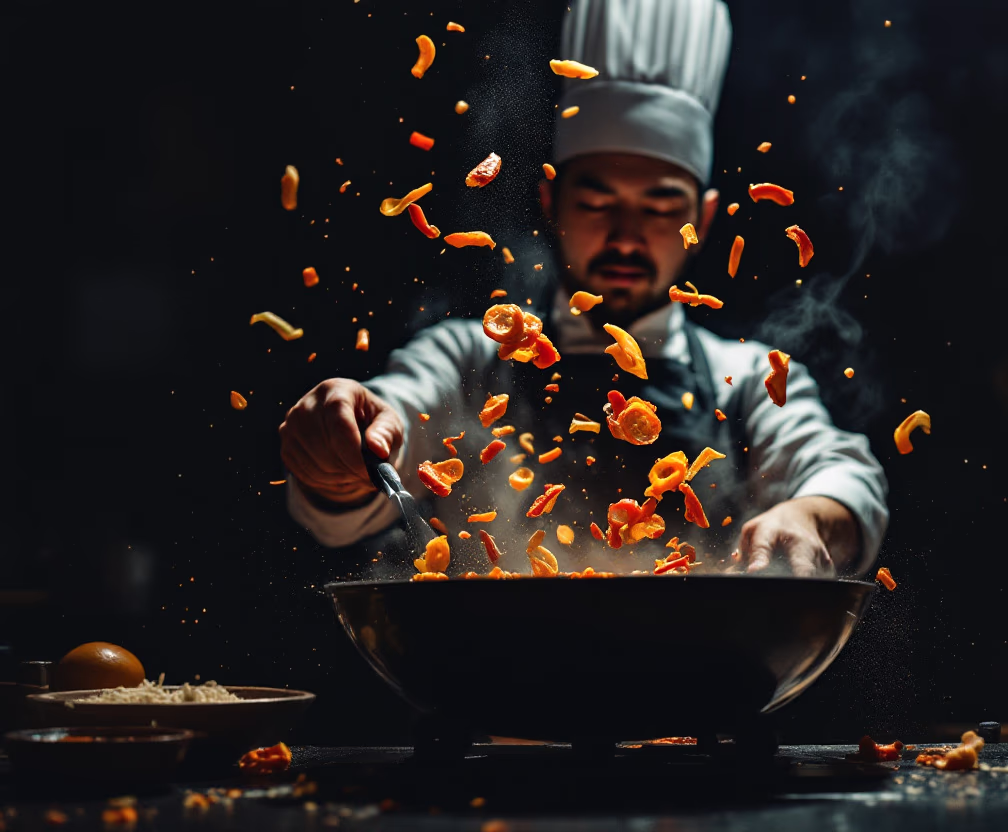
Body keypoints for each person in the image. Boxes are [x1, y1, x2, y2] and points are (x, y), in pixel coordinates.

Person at [280, 0, 887, 577]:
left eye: (659, 207)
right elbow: (392, 424)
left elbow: (844, 475)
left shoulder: (749, 379)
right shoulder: (467, 358)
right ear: (551, 204)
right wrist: (342, 452)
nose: (626, 237)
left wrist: (808, 516)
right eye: (597, 202)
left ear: (700, 222)